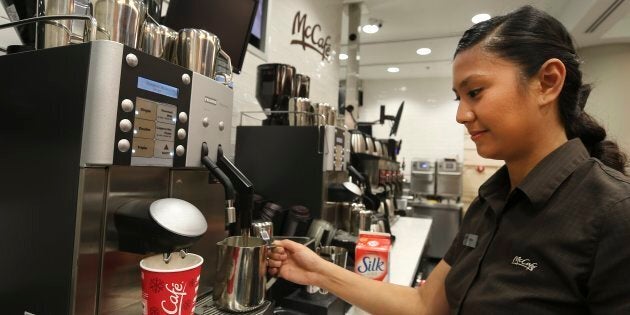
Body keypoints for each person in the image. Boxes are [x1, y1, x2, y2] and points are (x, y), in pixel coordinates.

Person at [267, 5, 630, 315]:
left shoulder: (614, 214)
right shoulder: (492, 201)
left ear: (548, 82)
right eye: (458, 97)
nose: (461, 115)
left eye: (475, 92)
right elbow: (426, 304)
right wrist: (318, 272)